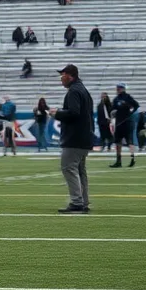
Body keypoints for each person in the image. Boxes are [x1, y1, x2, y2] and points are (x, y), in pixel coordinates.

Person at [50, 64, 94, 213]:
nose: (61, 79)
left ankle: (76, 202)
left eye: (62, 75)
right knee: (80, 170)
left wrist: (57, 113)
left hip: (74, 138)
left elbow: (74, 113)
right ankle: (84, 201)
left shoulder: (74, 91)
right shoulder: (83, 90)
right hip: (83, 137)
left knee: (68, 167)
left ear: (70, 76)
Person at [110, 83, 140, 168]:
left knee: (129, 141)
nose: (118, 90)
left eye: (119, 88)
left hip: (127, 122)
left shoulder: (128, 97)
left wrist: (131, 113)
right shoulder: (116, 99)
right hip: (119, 123)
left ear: (123, 88)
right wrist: (113, 113)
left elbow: (136, 105)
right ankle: (118, 161)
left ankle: (132, 159)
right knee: (117, 142)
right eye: (117, 88)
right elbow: (113, 109)